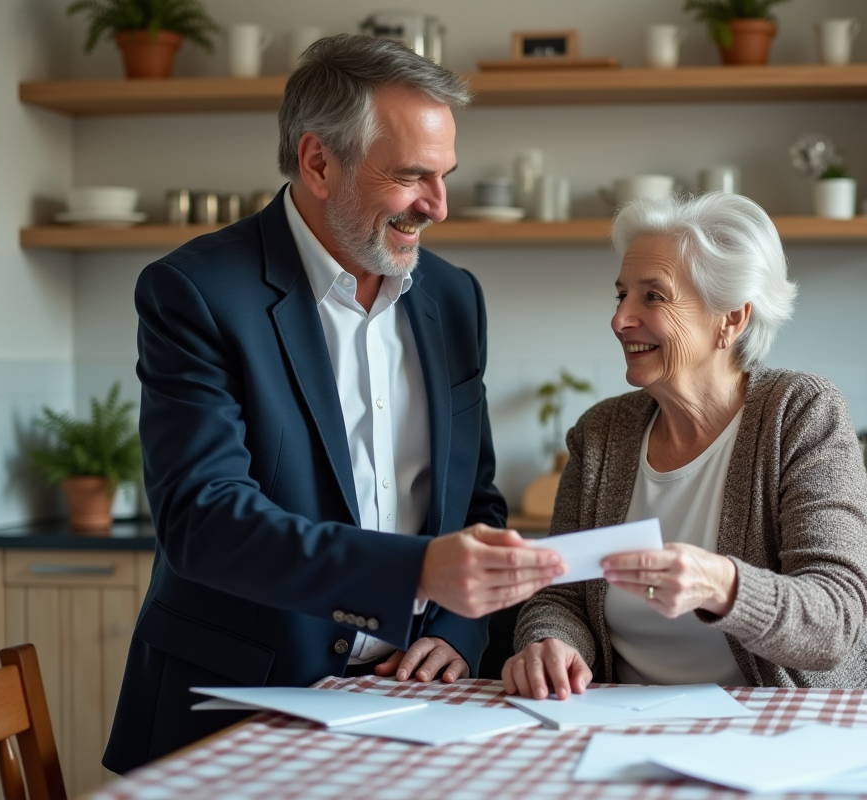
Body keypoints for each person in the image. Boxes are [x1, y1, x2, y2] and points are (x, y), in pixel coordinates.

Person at [104, 34, 565, 774]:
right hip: (239, 710)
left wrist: (455, 628)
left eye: (444, 176)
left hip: (421, 706)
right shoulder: (196, 292)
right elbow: (206, 519)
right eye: (413, 176)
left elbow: (473, 497)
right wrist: (415, 572)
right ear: (319, 162)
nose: (439, 206)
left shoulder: (454, 296)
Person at [505, 192, 867, 699]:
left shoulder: (799, 413)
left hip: (791, 731)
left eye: (653, 297)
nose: (620, 319)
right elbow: (559, 596)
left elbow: (835, 618)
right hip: (628, 729)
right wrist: (550, 641)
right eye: (621, 295)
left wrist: (723, 586)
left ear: (730, 319)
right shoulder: (601, 434)